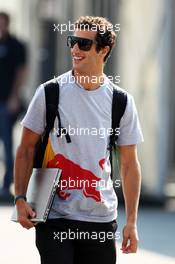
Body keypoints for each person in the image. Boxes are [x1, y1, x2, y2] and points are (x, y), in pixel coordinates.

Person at [14, 16, 143, 264]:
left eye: (84, 44)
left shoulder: (121, 102)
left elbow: (129, 164)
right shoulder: (50, 92)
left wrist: (132, 222)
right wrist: (20, 199)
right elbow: (26, 149)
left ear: (104, 50)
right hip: (54, 217)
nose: (75, 49)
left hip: (100, 221)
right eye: (72, 42)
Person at [0, 12, 26, 201]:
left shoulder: (16, 46)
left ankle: (6, 185)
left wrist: (14, 98)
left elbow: (21, 72)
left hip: (6, 103)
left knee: (8, 145)